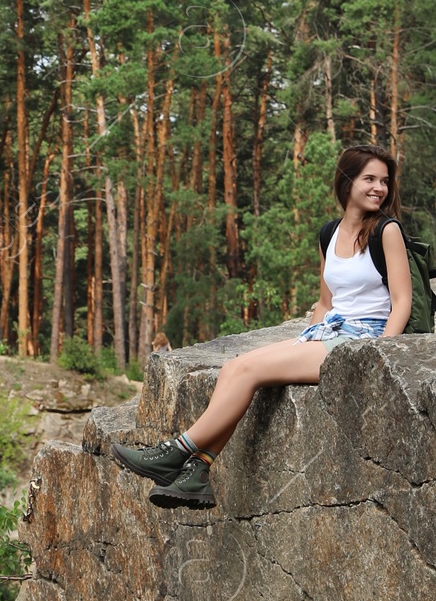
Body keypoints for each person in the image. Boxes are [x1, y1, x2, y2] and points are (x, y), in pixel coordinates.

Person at [112, 144, 413, 509]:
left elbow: (401, 302)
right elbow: (325, 302)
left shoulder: (387, 230)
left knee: (251, 370)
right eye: (369, 179)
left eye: (384, 181)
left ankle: (176, 451)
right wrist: (303, 343)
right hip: (329, 332)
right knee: (234, 366)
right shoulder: (329, 234)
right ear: (347, 181)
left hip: (362, 341)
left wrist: (378, 356)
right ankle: (197, 473)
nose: (378, 188)